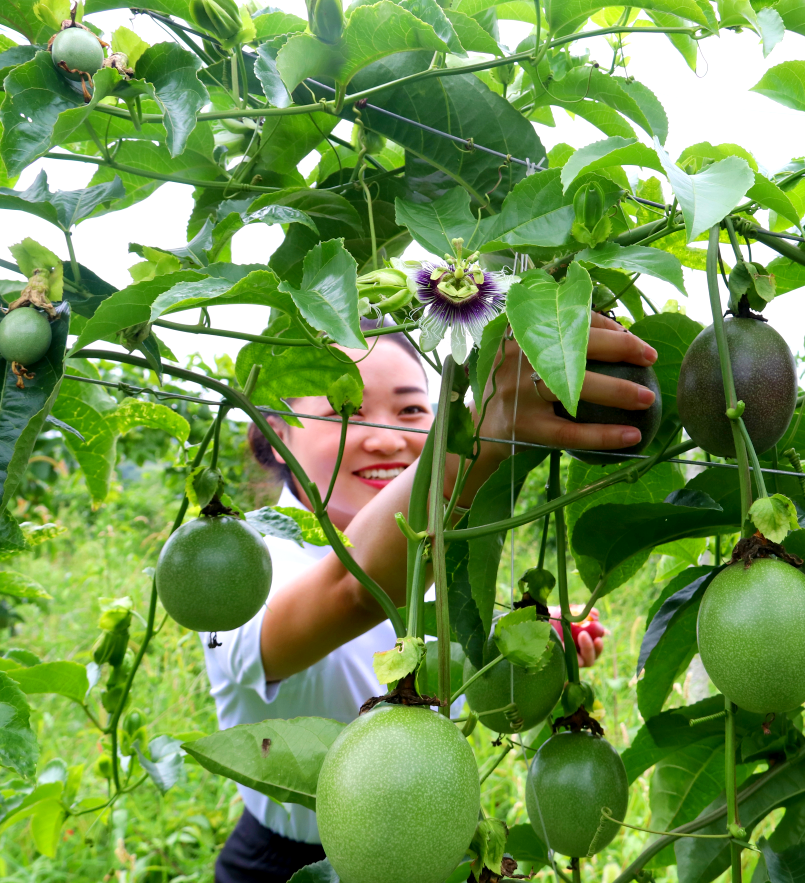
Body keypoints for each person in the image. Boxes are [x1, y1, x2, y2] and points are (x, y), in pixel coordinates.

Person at [204, 315, 659, 882]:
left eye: (413, 411)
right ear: (277, 428)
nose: (386, 437)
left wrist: (521, 657)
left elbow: (462, 672)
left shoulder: (445, 551)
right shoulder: (237, 563)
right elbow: (355, 590)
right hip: (283, 863)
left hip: (431, 847)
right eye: (345, 408)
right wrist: (473, 439)